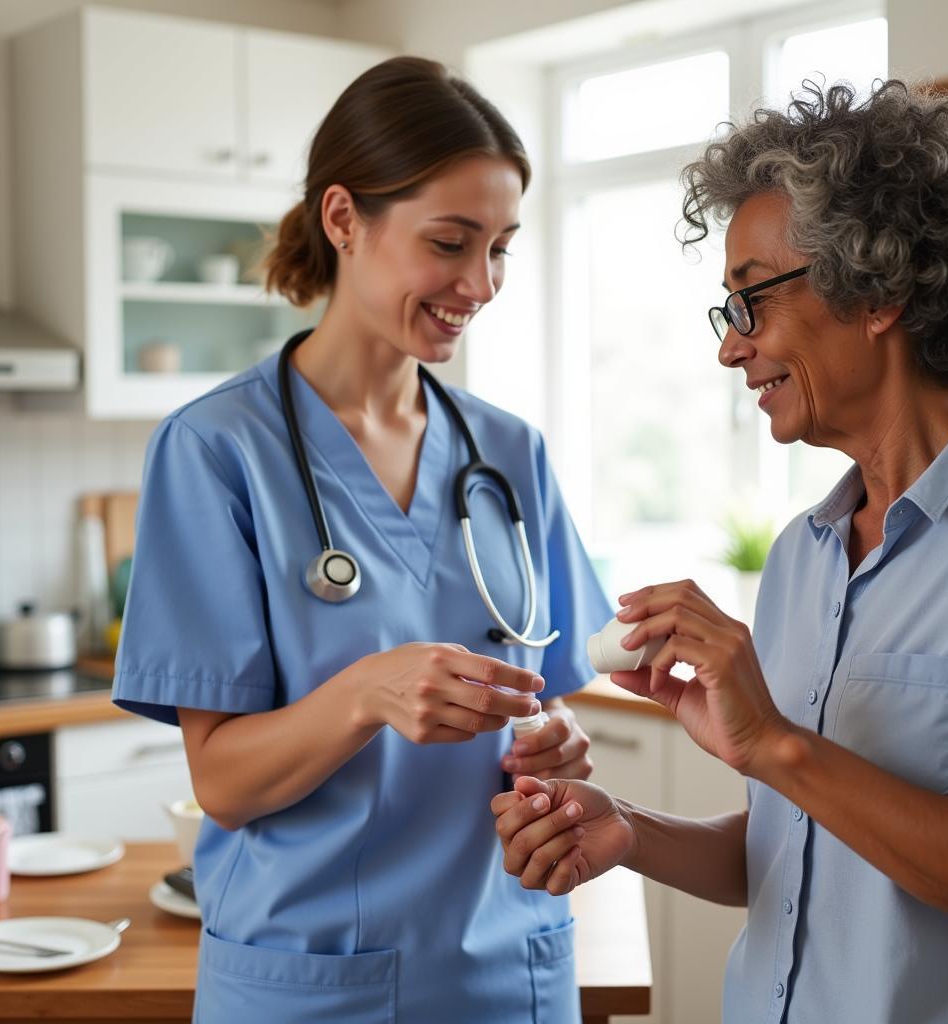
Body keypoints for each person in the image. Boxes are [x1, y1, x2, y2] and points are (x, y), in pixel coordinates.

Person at [491, 79, 948, 1023]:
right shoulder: (802, 558)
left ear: (880, 291)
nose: (732, 351)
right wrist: (628, 831)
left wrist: (779, 745)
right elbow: (805, 853)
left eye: (752, 300)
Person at [112, 56, 610, 1023]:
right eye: (450, 242)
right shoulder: (217, 451)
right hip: (310, 983)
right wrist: (367, 693)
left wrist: (553, 746)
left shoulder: (508, 452)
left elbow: (543, 704)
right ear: (344, 220)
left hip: (507, 970)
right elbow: (222, 783)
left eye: (501, 247)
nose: (481, 282)